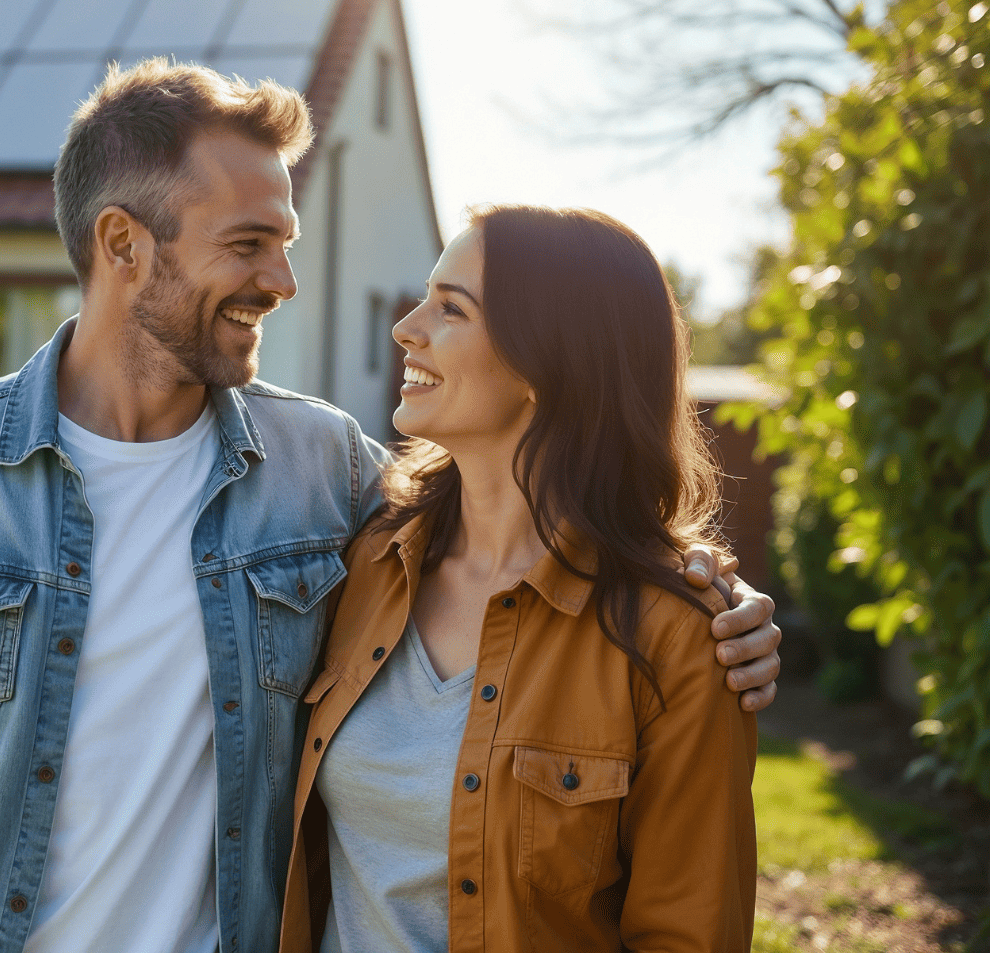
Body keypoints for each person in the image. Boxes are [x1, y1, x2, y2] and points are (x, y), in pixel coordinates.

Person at [0, 60, 779, 953]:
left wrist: (712, 598)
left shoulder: (326, 471)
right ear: (124, 244)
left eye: (286, 242)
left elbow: (539, 523)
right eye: (249, 244)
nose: (284, 281)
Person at [281, 206, 757, 953]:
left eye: (451, 308)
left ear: (546, 360)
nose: (407, 327)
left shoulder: (677, 634)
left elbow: (688, 932)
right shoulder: (365, 562)